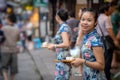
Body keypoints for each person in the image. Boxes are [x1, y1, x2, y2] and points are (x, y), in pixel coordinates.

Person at [71, 8, 106, 80]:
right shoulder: (87, 36)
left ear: (95, 22)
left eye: (89, 20)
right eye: (83, 19)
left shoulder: (95, 40)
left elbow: (101, 65)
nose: (85, 22)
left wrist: (83, 61)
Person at [46, 8, 71, 80]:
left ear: (58, 17)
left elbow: (66, 44)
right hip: (62, 56)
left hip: (63, 57)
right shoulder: (64, 26)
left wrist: (54, 45)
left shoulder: (63, 27)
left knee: (61, 77)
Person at [96, 2, 119, 80]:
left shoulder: (98, 17)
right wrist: (115, 40)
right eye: (110, 8)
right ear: (106, 9)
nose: (112, 10)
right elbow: (109, 30)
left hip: (99, 40)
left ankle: (102, 75)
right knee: (107, 59)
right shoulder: (106, 18)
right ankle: (106, 76)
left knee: (102, 59)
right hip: (106, 40)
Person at [1, 14, 20, 80]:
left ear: (9, 20)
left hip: (5, 50)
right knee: (13, 69)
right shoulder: (17, 29)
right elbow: (18, 39)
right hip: (14, 50)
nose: (5, 20)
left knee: (4, 68)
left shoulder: (3, 29)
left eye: (6, 19)